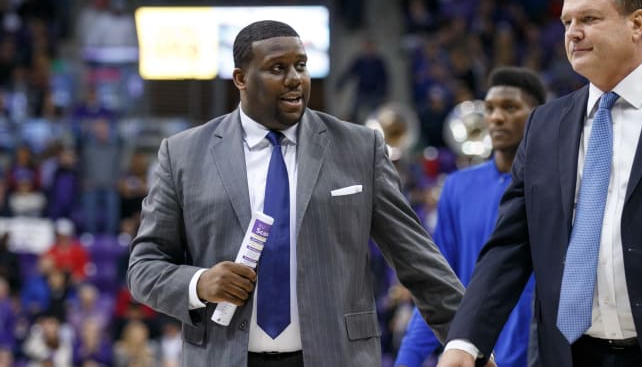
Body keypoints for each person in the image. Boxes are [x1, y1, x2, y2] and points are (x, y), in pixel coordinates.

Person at [127, 20, 464, 367]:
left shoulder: (361, 148)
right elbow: (143, 268)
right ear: (241, 79)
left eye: (300, 66)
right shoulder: (182, 154)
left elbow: (418, 259)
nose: (295, 79)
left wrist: (468, 341)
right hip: (224, 356)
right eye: (277, 68)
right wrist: (200, 284)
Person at [438, 0, 642, 367]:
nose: (572, 32)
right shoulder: (544, 124)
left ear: (637, 23)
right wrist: (465, 341)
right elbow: (510, 246)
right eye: (567, 21)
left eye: (589, 19)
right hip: (571, 354)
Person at [394, 67, 546, 367]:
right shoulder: (457, 186)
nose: (496, 118)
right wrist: (407, 360)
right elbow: (438, 284)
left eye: (510, 107)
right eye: (489, 109)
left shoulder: (557, 184)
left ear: (539, 115)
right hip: (474, 356)